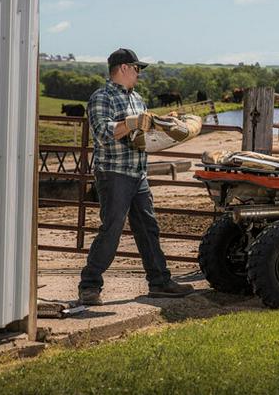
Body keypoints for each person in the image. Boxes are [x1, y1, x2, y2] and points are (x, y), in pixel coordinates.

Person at [78, 48, 194, 305]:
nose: (139, 73)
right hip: (114, 173)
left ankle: (160, 282)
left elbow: (143, 134)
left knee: (148, 228)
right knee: (112, 229)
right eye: (137, 68)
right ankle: (89, 285)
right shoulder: (101, 97)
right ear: (123, 68)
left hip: (137, 173)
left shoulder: (138, 98)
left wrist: (163, 124)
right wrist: (132, 122)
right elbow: (101, 132)